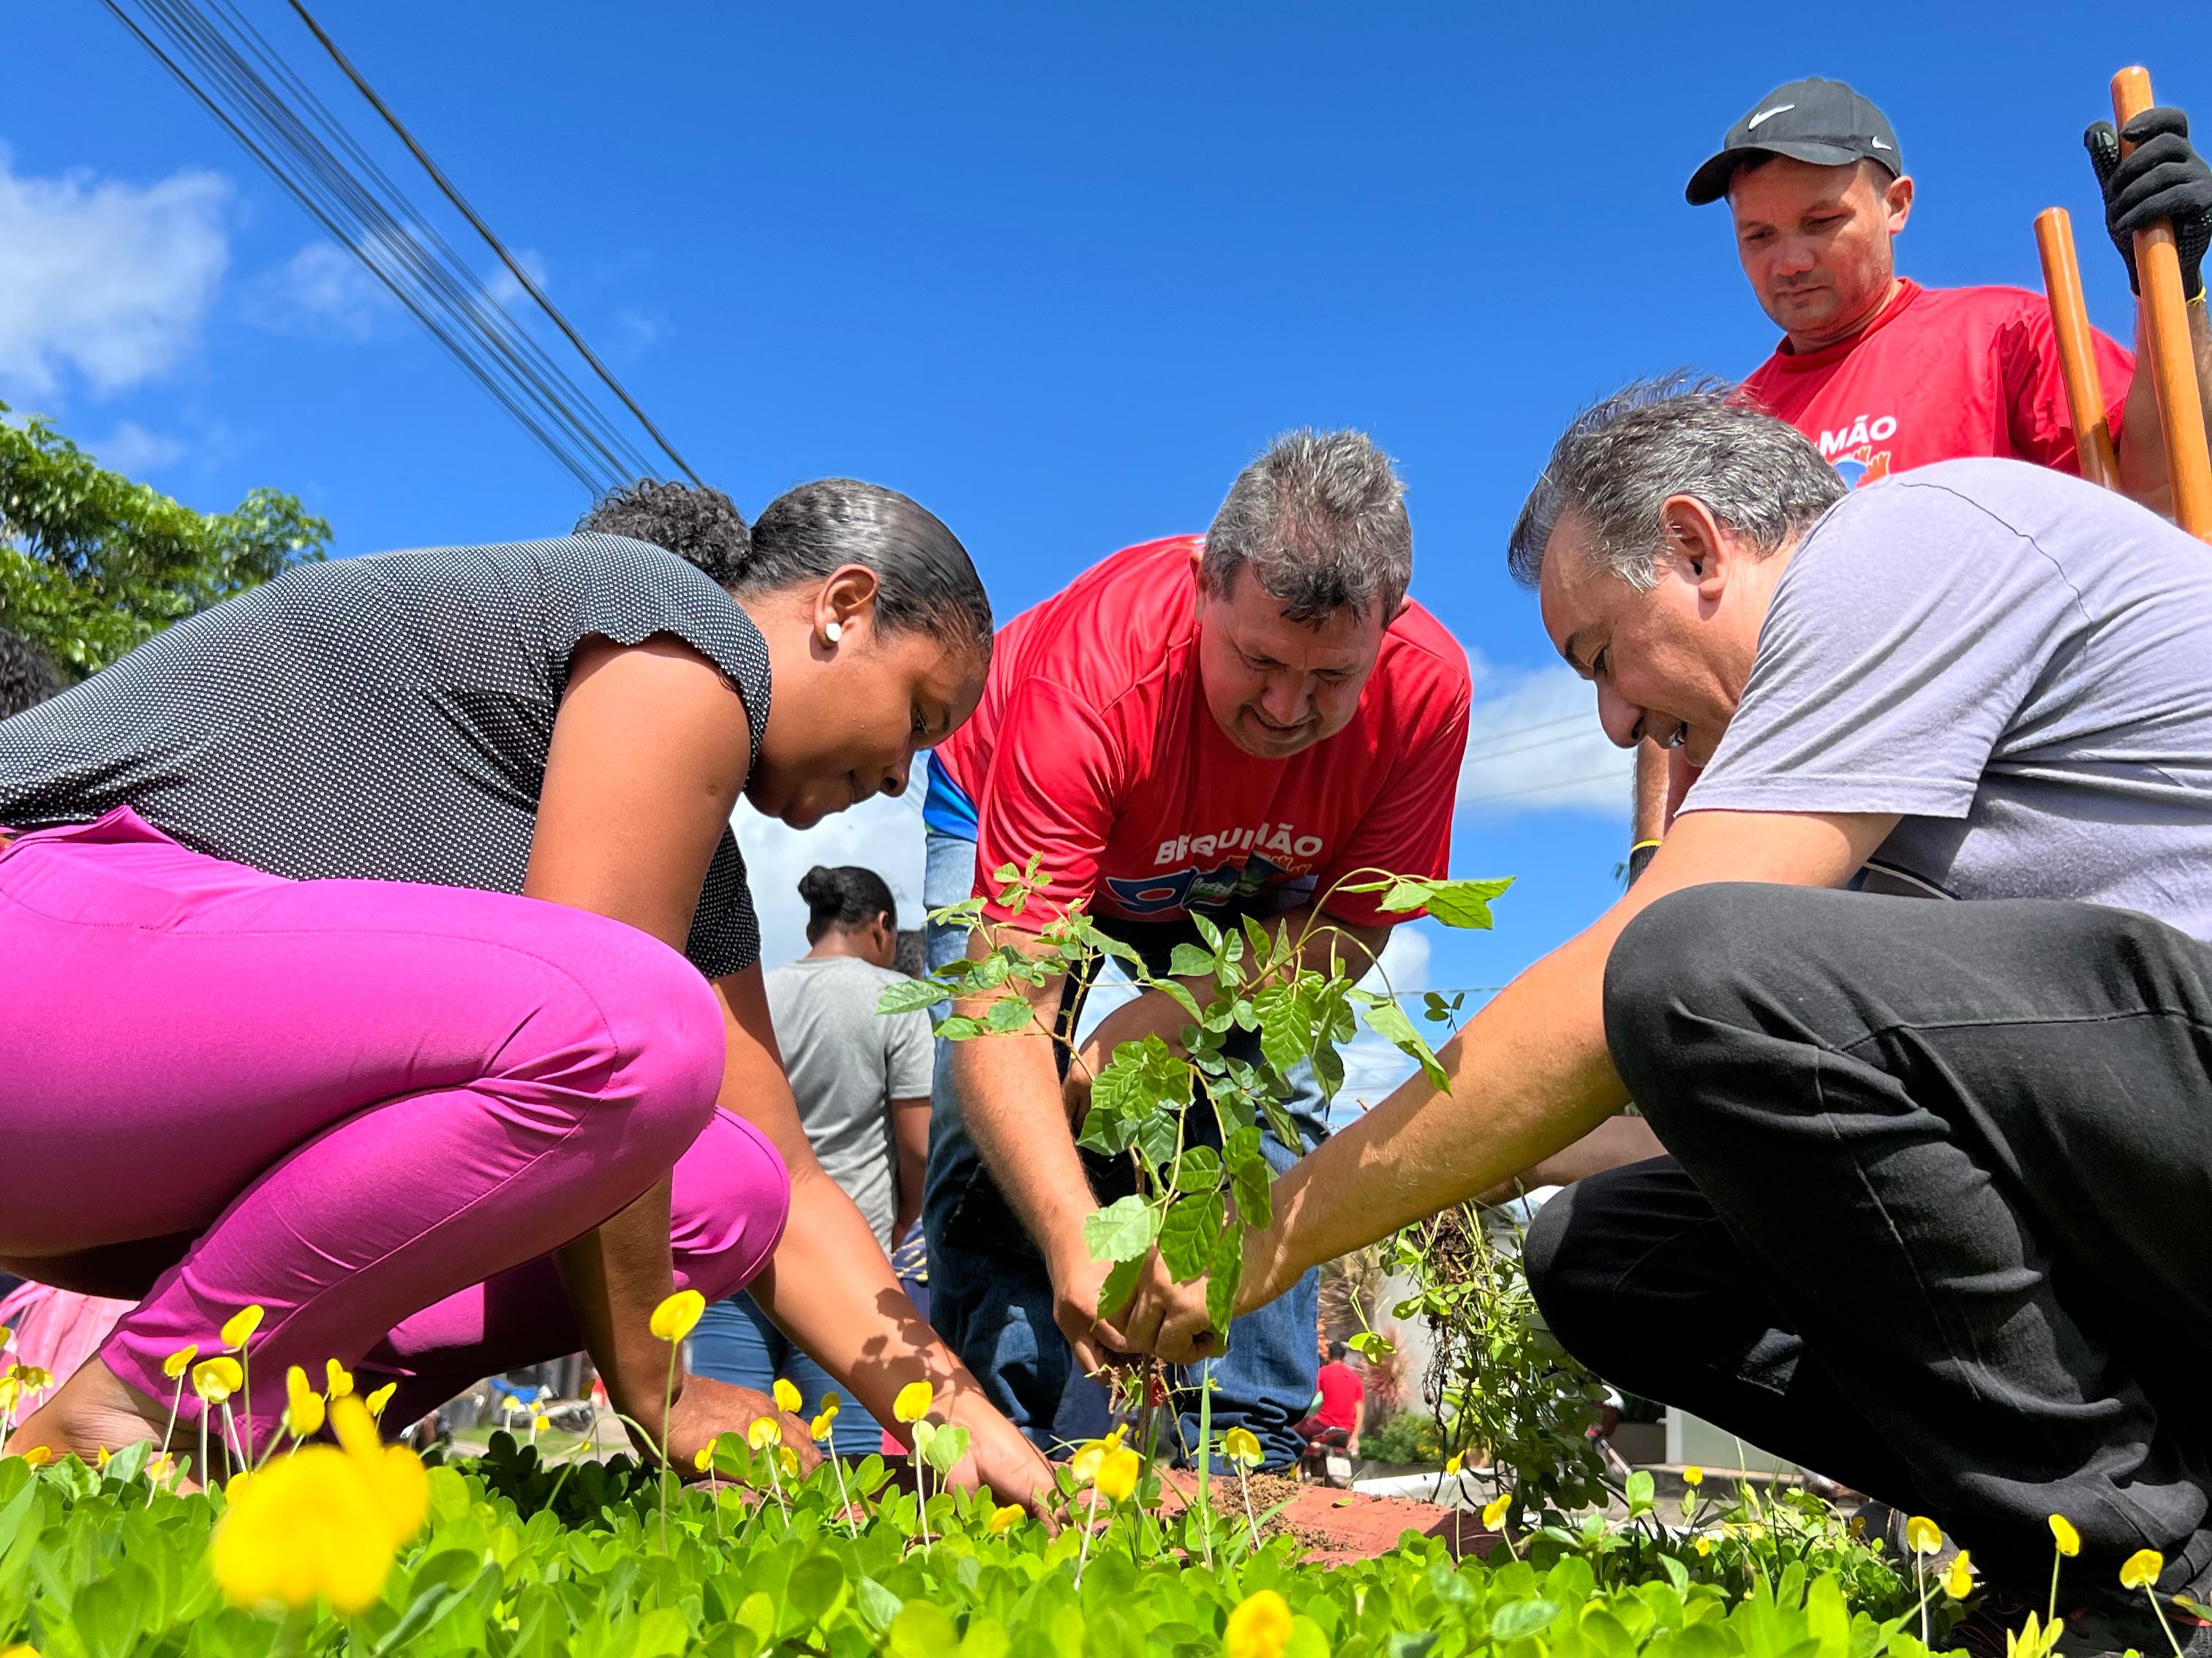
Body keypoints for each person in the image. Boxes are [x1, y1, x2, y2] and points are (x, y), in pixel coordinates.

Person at [1112, 383, 2212, 1646]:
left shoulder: (1901, 545)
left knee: (1686, 957)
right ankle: (2112, 1504)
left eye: (1598, 656)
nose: (1617, 722)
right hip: (2138, 1145)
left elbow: (1643, 986)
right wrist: (1443, 1162)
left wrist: (1273, 1229)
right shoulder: (1860, 775)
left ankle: (2130, 1574)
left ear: (1695, 547)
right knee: (1605, 1252)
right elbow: (1745, 1094)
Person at [0, 475, 1051, 1505]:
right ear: (845, 607)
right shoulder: (674, 622)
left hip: (106, 1129)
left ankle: (296, 1437)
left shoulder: (701, 881)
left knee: (728, 1190)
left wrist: (959, 1411)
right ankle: (146, 1406)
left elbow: (790, 1184)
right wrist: (659, 1386)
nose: (905, 776)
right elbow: (616, 1012)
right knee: (635, 1019)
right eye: (919, 714)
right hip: (39, 951)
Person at [919, 429, 1471, 1468]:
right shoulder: (1095, 675)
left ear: (1387, 634)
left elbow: (1350, 930)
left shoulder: (1427, 695)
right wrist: (1072, 1226)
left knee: (1268, 1082)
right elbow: (1006, 1002)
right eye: (1258, 659)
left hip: (1245, 884)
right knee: (984, 1105)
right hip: (1020, 810)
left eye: (1331, 677)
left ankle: (1242, 1437)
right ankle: (997, 1426)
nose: (1286, 709)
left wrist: (1160, 1014)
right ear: (1202, 589)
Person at [1624, 76, 2212, 879]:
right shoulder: (1725, 431)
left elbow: (2161, 495)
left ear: (1897, 203)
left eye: (1821, 221)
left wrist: (2173, 291)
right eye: (1757, 236)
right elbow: (1676, 662)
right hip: (1799, 817)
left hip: (2004, 796)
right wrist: (1656, 841)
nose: (1789, 260)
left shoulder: (2005, 331)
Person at [689, 863, 931, 1458]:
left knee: (732, 1460)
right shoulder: (894, 1000)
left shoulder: (756, 994)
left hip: (737, 1253)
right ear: (880, 928)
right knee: (848, 1465)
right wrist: (906, 1219)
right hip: (842, 1264)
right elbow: (920, 1144)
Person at [1298, 1338, 1365, 1463]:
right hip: (1346, 1430)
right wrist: (1355, 1437)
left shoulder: (1322, 1373)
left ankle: (1300, 1468)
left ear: (1328, 1356)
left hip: (1323, 1425)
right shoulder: (1356, 1378)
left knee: (1297, 1429)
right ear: (1344, 1357)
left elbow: (1311, 1396)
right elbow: (1360, 1409)